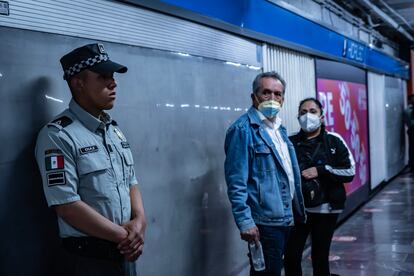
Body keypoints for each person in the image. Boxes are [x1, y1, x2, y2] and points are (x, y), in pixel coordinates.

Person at [35, 43, 146, 276]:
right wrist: (126, 237)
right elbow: (66, 205)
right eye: (103, 77)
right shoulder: (58, 135)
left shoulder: (112, 131)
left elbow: (131, 182)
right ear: (79, 83)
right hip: (89, 260)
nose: (113, 83)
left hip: (125, 252)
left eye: (113, 76)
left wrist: (140, 221)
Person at [224, 71, 306, 276]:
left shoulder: (279, 129)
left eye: (278, 94)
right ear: (254, 96)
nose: (272, 99)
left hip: (287, 217)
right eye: (266, 92)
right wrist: (245, 221)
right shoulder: (243, 130)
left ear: (283, 99)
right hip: (265, 222)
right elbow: (236, 181)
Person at [284, 97, 355, 276]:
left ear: (322, 117)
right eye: (303, 112)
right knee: (291, 257)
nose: (308, 116)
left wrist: (322, 170)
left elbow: (349, 172)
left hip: (326, 209)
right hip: (298, 211)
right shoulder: (289, 142)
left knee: (320, 256)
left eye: (313, 111)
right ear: (298, 116)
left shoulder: (334, 140)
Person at [403, 95, 414, 172]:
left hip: (411, 130)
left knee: (412, 148)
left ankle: (412, 165)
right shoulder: (409, 110)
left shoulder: (407, 110)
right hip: (412, 130)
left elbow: (407, 122)